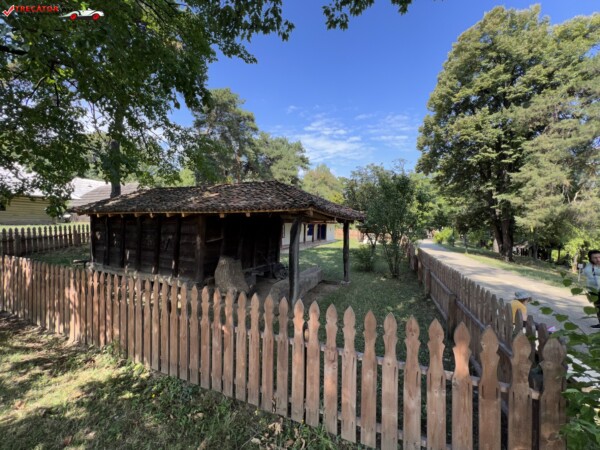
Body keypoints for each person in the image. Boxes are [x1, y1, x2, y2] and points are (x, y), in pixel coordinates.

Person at [582, 250, 600, 329]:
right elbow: (586, 273)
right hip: (593, 290)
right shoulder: (589, 266)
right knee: (597, 307)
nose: (598, 259)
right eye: (595, 258)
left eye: (599, 257)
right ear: (590, 259)